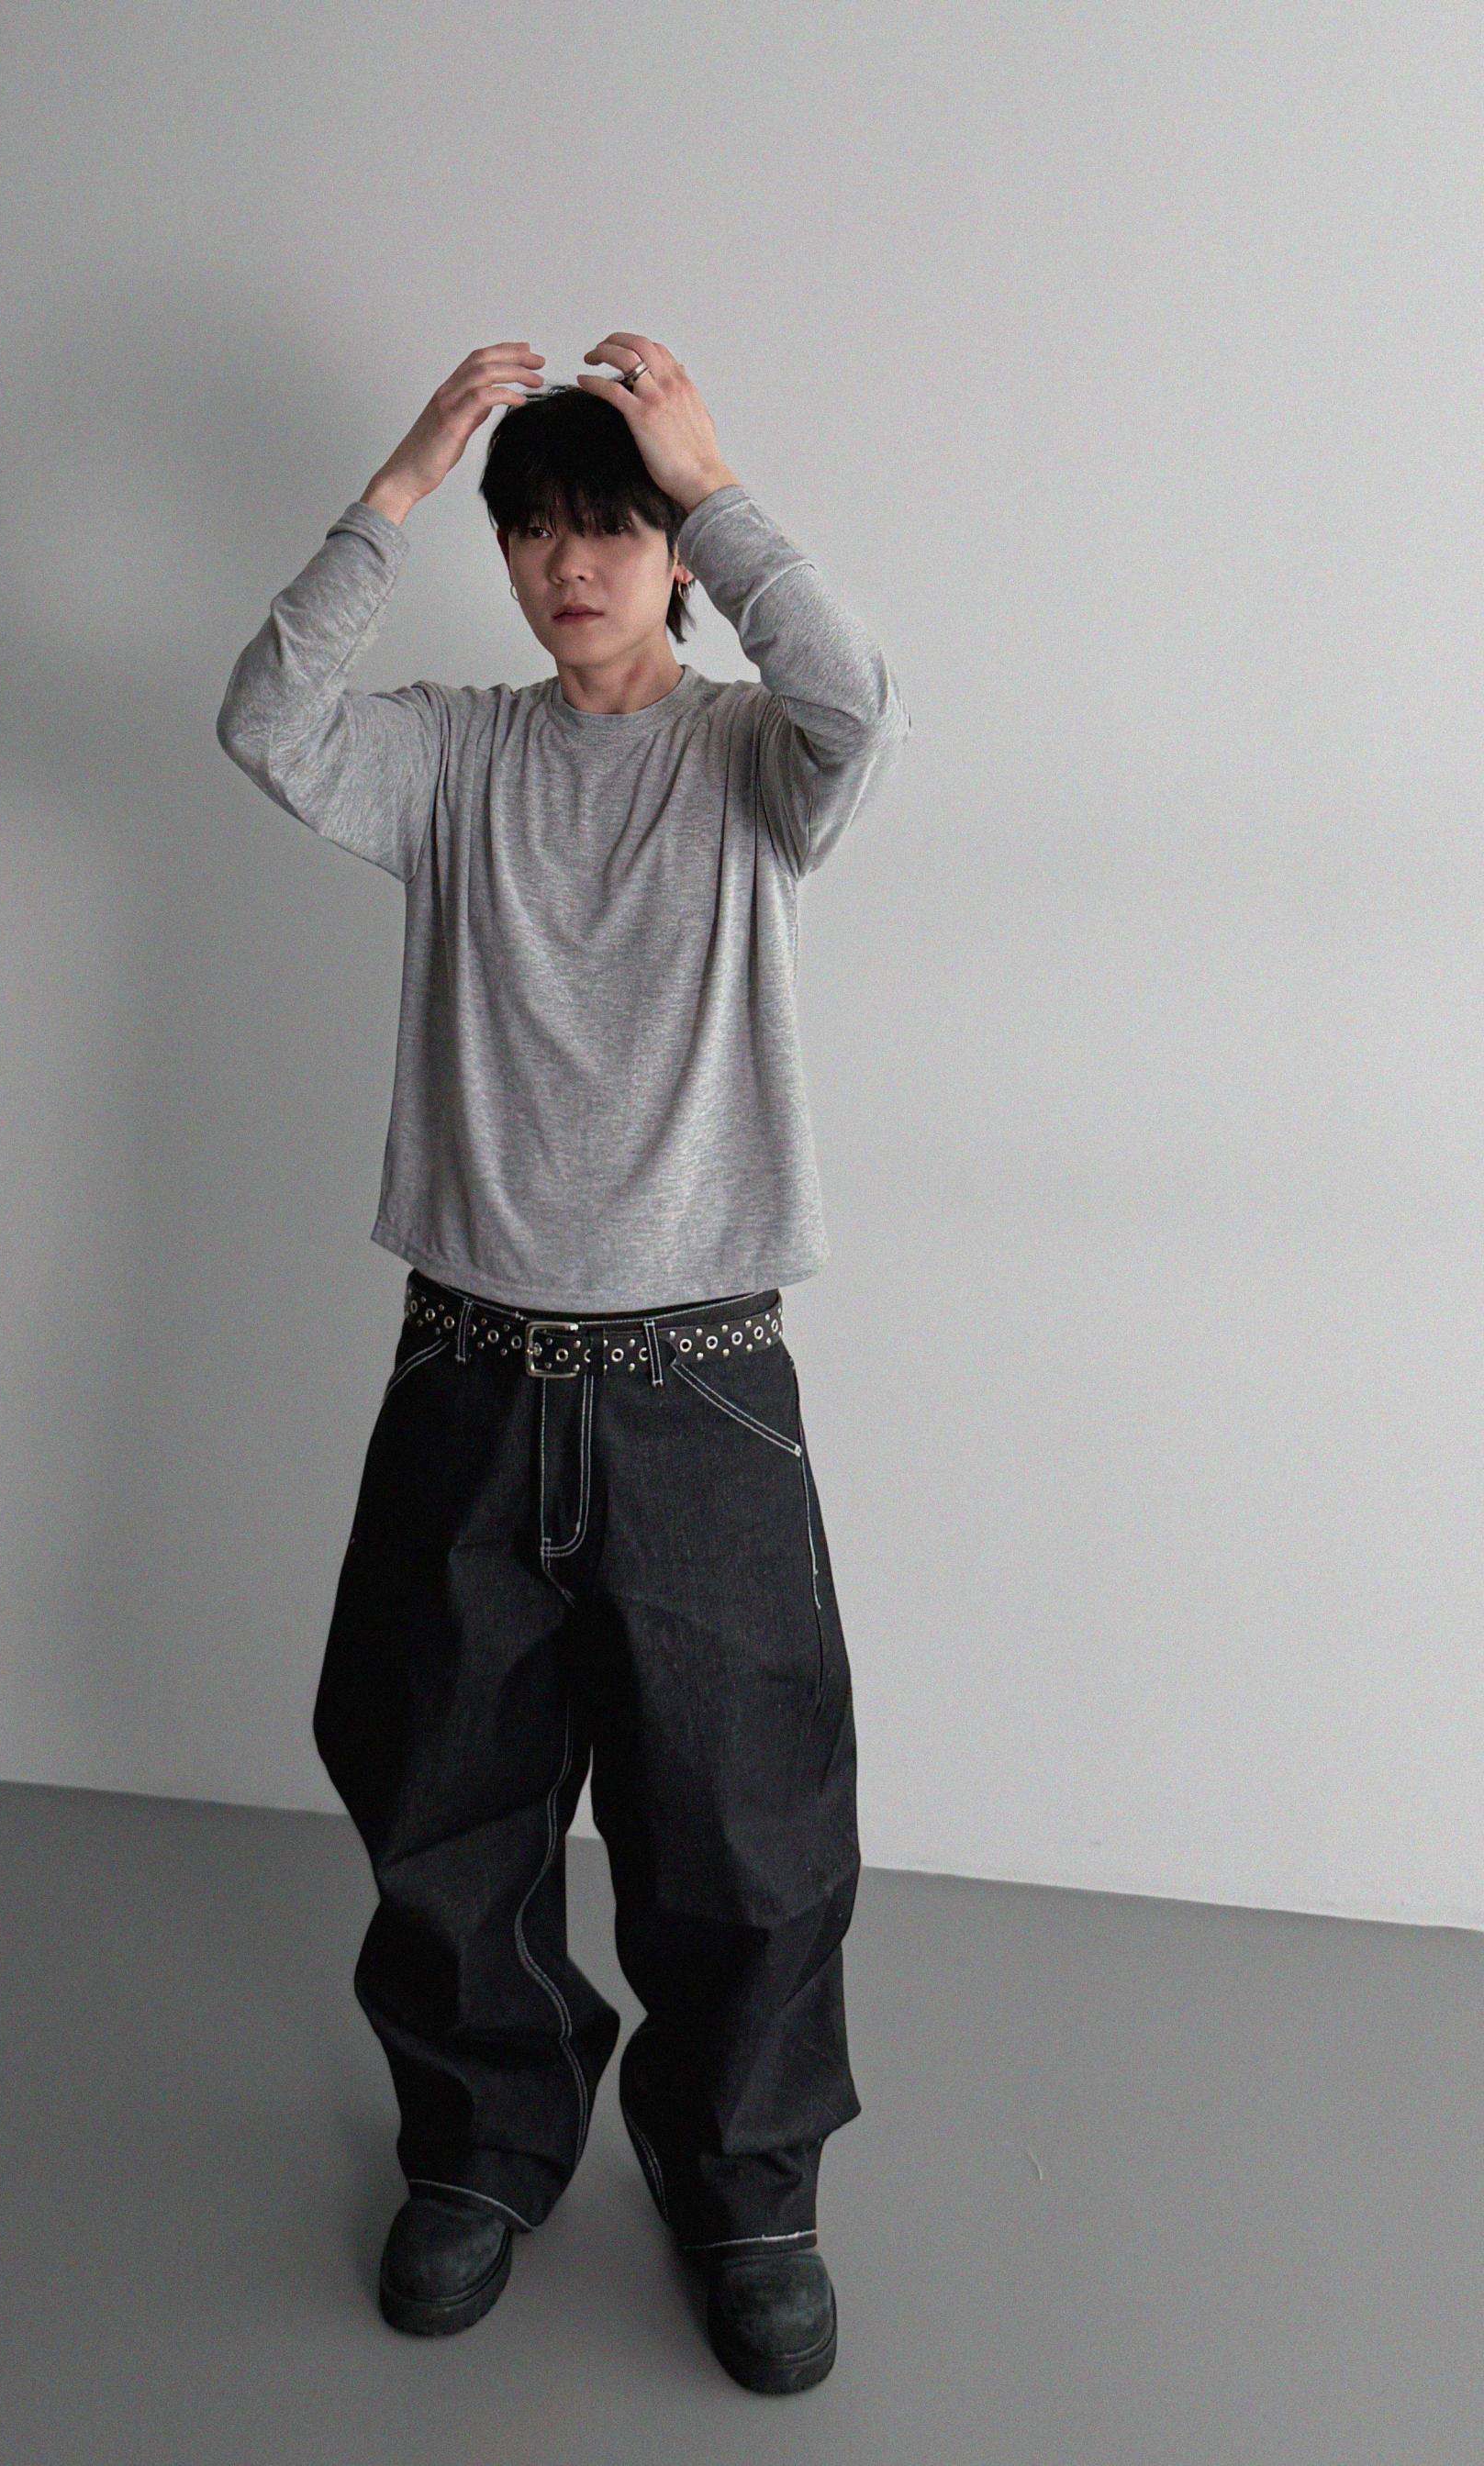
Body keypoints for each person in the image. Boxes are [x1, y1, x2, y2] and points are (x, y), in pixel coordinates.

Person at [215, 334, 911, 2395]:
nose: (570, 564)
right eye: (535, 531)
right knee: (443, 1794)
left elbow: (862, 700)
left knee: (746, 1824)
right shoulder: (448, 758)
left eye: (609, 526)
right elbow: (266, 720)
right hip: (470, 1364)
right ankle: (482, 2145)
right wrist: (403, 482)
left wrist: (716, 485)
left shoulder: (751, 762)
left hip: (701, 1379)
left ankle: (747, 2183)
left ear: (669, 552)